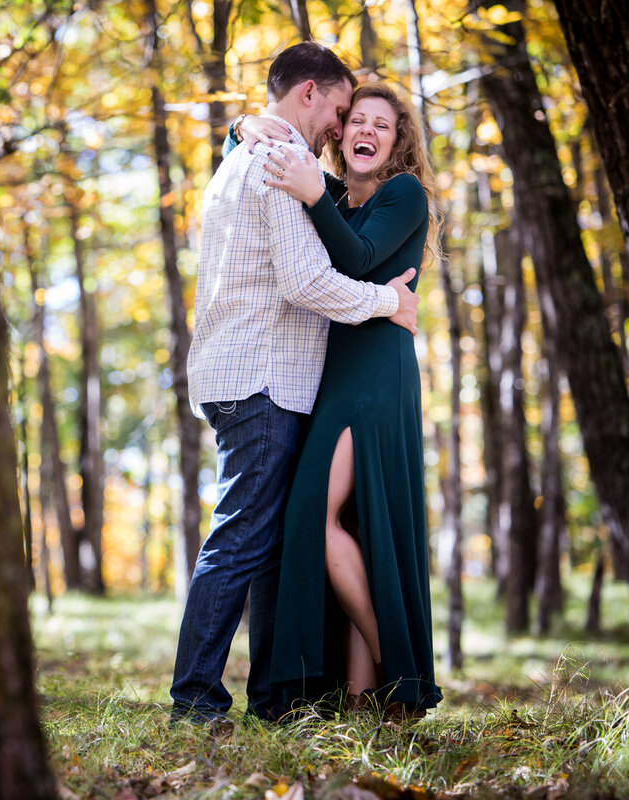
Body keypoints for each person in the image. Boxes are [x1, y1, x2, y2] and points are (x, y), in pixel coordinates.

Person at [172, 43, 420, 727]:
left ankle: (275, 700)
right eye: (341, 111)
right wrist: (387, 304)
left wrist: (242, 123)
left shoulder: (240, 159)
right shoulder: (284, 163)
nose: (343, 129)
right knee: (242, 541)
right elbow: (307, 281)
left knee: (268, 547)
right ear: (308, 93)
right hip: (262, 378)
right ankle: (194, 701)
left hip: (243, 372)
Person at [234, 82, 444, 718]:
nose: (369, 132)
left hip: (377, 377)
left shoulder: (403, 195)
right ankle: (359, 702)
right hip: (338, 377)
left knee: (312, 516)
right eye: (359, 121)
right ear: (340, 132)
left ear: (397, 142)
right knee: (354, 525)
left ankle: (391, 664)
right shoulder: (340, 198)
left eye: (384, 126)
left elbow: (356, 260)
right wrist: (244, 125)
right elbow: (253, 149)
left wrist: (309, 194)